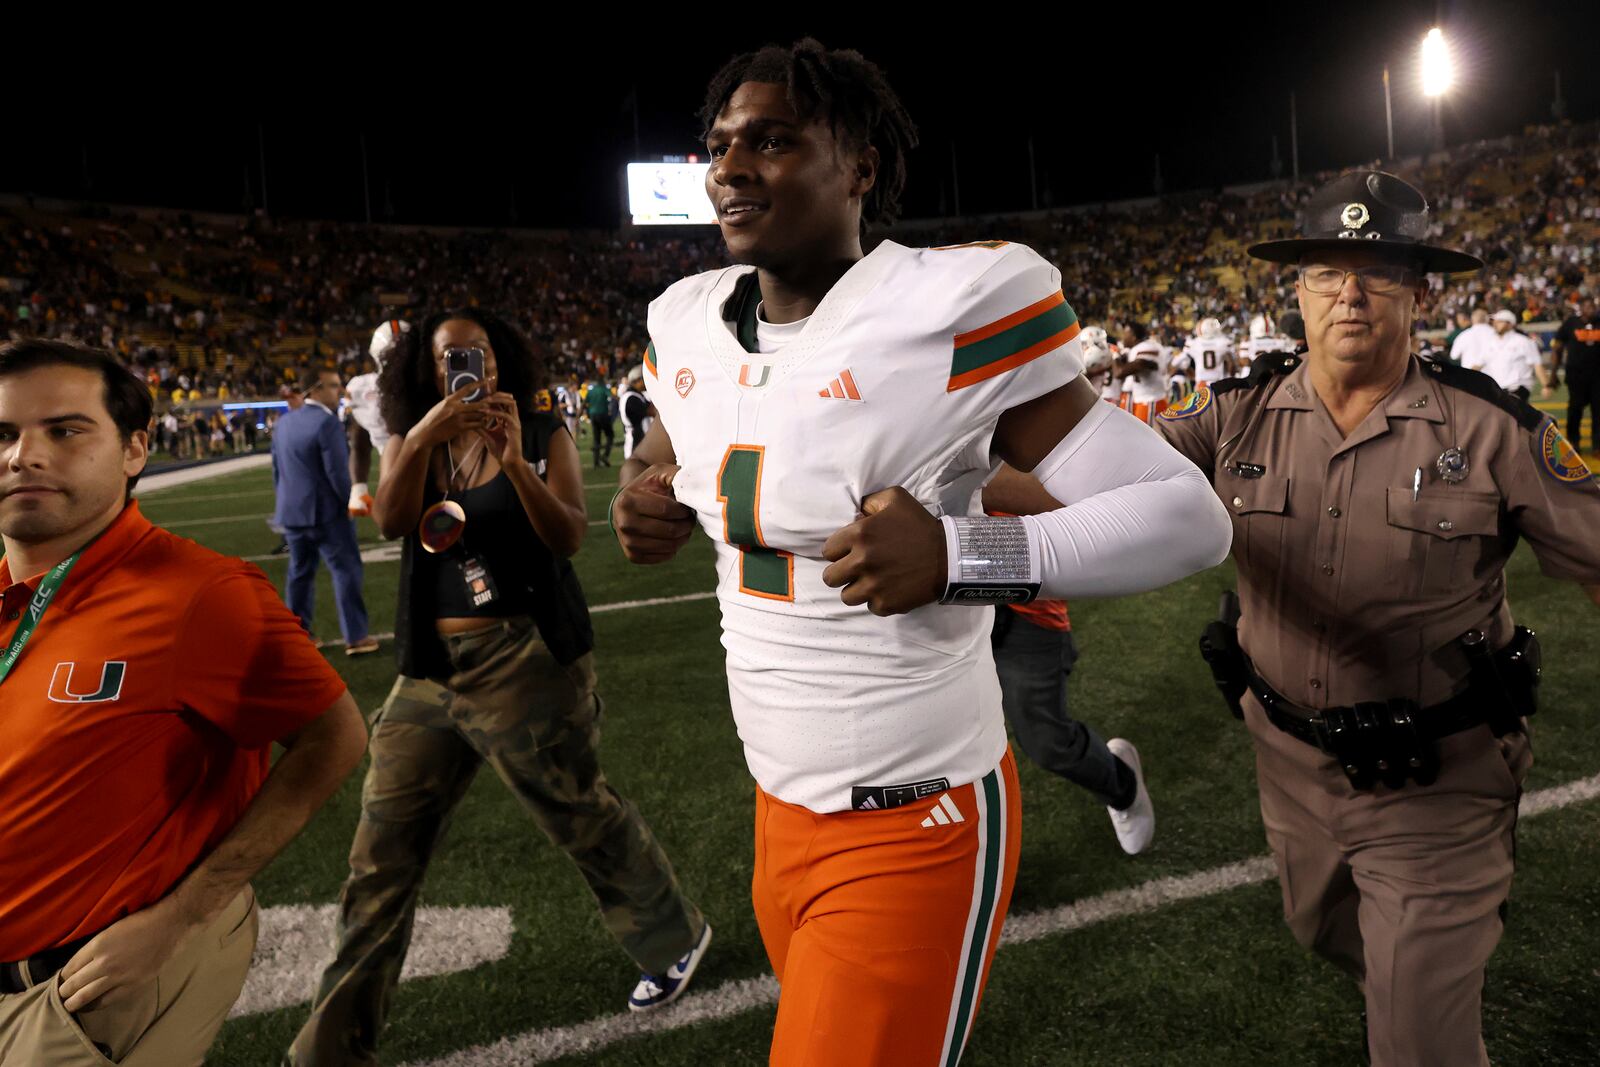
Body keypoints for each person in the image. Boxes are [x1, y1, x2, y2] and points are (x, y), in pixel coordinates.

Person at [612, 39, 1230, 1066]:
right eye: (720, 145)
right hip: (776, 809)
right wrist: (647, 487)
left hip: (912, 816)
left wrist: (959, 551)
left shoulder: (946, 308)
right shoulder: (683, 320)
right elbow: (674, 431)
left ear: (858, 165)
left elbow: (1184, 513)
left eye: (771, 140)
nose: (729, 166)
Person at [1153, 170, 1600, 1067]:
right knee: (1320, 925)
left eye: (1378, 270)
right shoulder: (1234, 417)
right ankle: (1412, 977)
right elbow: (1086, 473)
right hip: (1289, 764)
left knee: (1418, 1044)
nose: (1349, 293)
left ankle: (1425, 982)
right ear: (1299, 290)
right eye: (1326, 272)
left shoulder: (1490, 430)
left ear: (1421, 289)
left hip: (1436, 779)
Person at [287, 308, 709, 1067]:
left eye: (477, 353)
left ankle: (673, 934)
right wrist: (420, 435)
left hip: (525, 658)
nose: (465, 367)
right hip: (430, 671)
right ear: (424, 366)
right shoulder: (414, 430)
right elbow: (389, 522)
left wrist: (514, 461)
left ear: (501, 358)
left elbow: (570, 533)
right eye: (450, 356)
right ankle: (330, 1049)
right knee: (378, 856)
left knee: (575, 808)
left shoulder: (539, 419)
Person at [0, 339, 366, 1066]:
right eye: (5, 434)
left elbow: (335, 736)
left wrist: (184, 915)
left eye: (65, 430)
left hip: (79, 985)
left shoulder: (198, 594)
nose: (22, 456)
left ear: (135, 450)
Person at [981, 465, 1154, 854]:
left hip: (1022, 603)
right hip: (934, 605)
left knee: (1048, 742)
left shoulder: (1014, 416)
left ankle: (1122, 788)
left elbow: (1075, 507)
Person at [271, 367, 379, 656]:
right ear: (315, 389)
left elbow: (277, 472)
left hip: (293, 514)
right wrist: (351, 501)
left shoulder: (283, 423)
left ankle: (299, 635)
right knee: (346, 571)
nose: (339, 392)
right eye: (333, 386)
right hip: (327, 514)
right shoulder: (327, 423)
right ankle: (356, 637)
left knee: (299, 574)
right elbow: (338, 474)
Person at [345, 319, 407, 517]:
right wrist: (358, 488)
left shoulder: (433, 383)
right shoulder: (364, 389)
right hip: (391, 471)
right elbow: (359, 440)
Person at [1457, 309, 1548, 402]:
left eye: (1500, 321)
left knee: (1512, 412)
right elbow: (1477, 365)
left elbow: (1537, 364)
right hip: (1498, 389)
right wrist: (1463, 380)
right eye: (1494, 321)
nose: (1495, 324)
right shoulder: (1490, 343)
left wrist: (1546, 386)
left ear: (1510, 324)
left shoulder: (1522, 342)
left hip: (1517, 387)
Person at [1551, 294, 1599, 452]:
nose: (1591, 309)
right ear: (1581, 308)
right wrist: (1553, 373)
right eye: (1588, 306)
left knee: (1598, 410)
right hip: (1576, 375)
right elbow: (1557, 348)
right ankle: (1574, 441)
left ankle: (1597, 445)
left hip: (1598, 376)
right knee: (1575, 409)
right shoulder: (1571, 323)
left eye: (1593, 306)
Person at [620, 365, 652, 459]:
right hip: (636, 438)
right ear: (637, 380)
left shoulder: (636, 395)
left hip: (638, 436)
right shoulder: (631, 397)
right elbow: (650, 411)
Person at [583, 374, 615, 467]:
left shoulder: (591, 391)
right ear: (603, 381)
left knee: (596, 438)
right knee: (610, 435)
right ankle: (605, 455)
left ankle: (596, 462)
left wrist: (579, 416)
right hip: (603, 414)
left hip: (593, 416)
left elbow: (584, 403)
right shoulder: (604, 388)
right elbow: (613, 397)